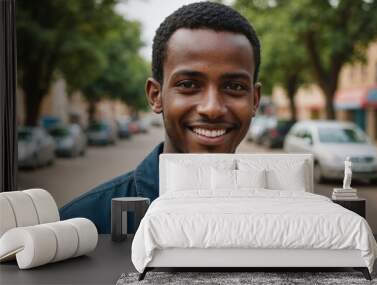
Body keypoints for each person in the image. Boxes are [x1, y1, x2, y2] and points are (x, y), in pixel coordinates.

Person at [60, 1, 261, 233]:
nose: (212, 108)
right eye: (188, 84)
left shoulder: (284, 219)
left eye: (234, 87)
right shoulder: (80, 226)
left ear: (254, 100)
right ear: (156, 96)